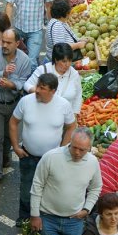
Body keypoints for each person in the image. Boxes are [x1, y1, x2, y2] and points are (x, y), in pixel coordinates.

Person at [9, 73, 76, 226]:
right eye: (38, 86)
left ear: (53, 91)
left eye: (42, 88)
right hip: (28, 155)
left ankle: (45, 219)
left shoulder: (63, 105)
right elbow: (13, 123)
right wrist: (16, 147)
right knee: (27, 188)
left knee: (50, 189)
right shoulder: (26, 101)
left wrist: (62, 148)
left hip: (52, 158)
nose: (37, 90)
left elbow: (72, 126)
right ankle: (25, 217)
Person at [30, 128, 102, 235]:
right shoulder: (51, 157)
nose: (77, 152)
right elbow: (37, 185)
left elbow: (95, 188)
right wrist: (35, 215)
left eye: (82, 150)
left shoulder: (93, 163)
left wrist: (86, 209)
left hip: (74, 221)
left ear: (89, 148)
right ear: (70, 142)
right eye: (74, 147)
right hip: (48, 218)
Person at [0, 29, 31, 184]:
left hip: (13, 104)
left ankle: (4, 159)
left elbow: (24, 82)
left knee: (8, 137)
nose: (4, 45)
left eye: (8, 42)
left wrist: (12, 84)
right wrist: (1, 72)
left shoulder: (25, 60)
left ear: (17, 43)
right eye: (3, 41)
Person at [5, 0, 53, 72]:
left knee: (31, 62)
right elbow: (9, 5)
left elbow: (48, 5)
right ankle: (19, 83)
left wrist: (51, 24)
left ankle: (28, 88)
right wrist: (7, 27)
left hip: (35, 30)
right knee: (17, 60)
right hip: (18, 28)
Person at [24, 43, 82, 114]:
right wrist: (40, 92)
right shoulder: (43, 70)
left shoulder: (74, 74)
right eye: (64, 61)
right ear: (56, 60)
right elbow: (27, 85)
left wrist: (74, 115)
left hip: (66, 118)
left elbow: (78, 97)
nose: (67, 64)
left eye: (70, 60)